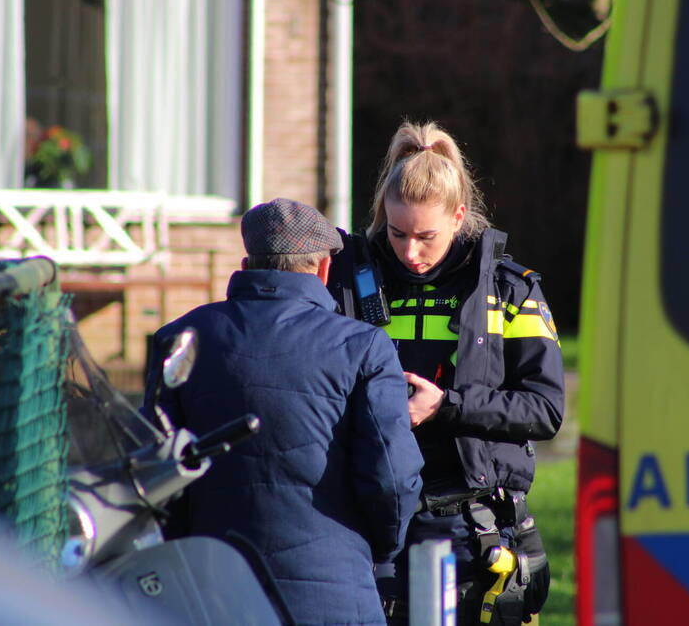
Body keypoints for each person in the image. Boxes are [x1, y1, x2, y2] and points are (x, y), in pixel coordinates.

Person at [327, 121, 566, 625]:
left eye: (425, 236)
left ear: (459, 216)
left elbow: (545, 410)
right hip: (370, 524)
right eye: (396, 233)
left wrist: (446, 406)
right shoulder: (348, 281)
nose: (409, 252)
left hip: (471, 526)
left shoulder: (509, 289)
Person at [144, 198, 424, 626]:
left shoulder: (179, 339)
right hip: (334, 594)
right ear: (323, 269)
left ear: (247, 262)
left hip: (209, 592)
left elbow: (157, 475)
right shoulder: (362, 346)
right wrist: (381, 548)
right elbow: (391, 479)